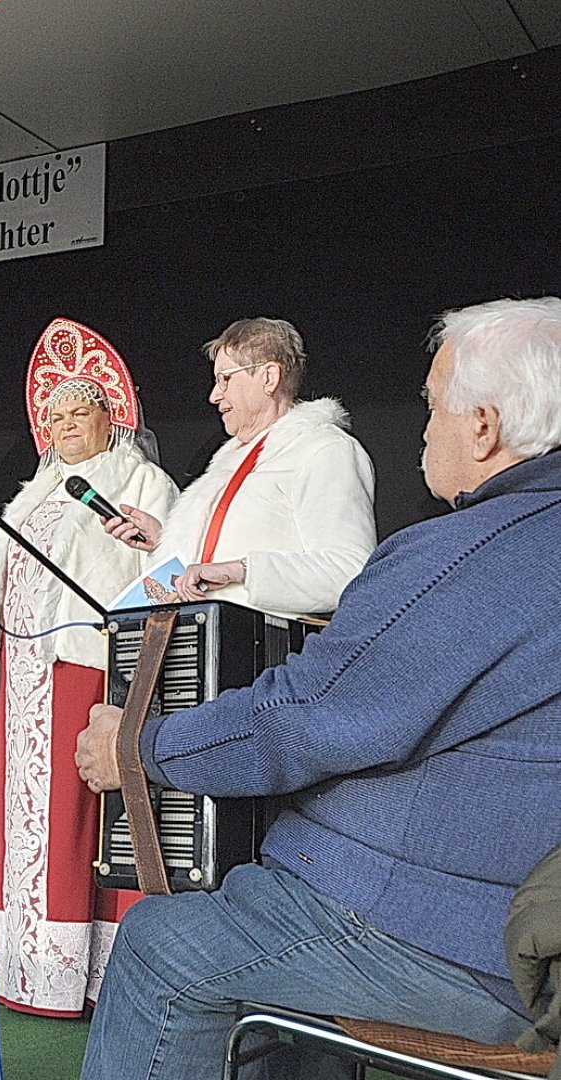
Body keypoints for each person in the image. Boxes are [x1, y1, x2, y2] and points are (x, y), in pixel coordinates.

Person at [73, 297, 561, 1079]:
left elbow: (310, 712)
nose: (422, 428)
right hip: (505, 913)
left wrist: (138, 746)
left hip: (472, 939)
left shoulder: (449, 544)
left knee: (165, 945)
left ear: (483, 426)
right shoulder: (238, 460)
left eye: (432, 406)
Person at [0, 319, 179, 1016]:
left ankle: (69, 970)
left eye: (76, 412)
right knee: (10, 821)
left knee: (71, 824)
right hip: (22, 680)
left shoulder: (138, 478)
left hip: (82, 669)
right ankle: (11, 960)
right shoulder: (32, 492)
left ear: (108, 418)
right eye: (51, 415)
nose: (61, 426)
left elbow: (164, 575)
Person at [105, 317, 376, 615]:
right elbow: (217, 564)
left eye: (225, 379)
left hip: (268, 653)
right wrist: (166, 540)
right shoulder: (233, 458)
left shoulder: (324, 449)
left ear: (269, 378)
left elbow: (348, 572)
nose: (214, 395)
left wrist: (241, 570)